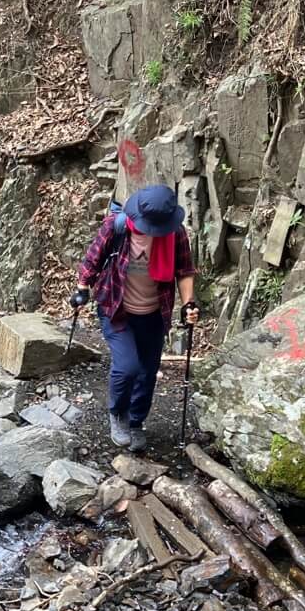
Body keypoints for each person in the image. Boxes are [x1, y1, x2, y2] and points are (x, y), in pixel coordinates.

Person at [72, 183, 199, 452]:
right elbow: (92, 260)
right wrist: (82, 289)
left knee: (147, 371)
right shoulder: (115, 227)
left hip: (154, 313)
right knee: (127, 367)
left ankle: (136, 421)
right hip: (116, 308)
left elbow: (185, 270)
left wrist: (189, 303)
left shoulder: (175, 235)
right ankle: (118, 414)